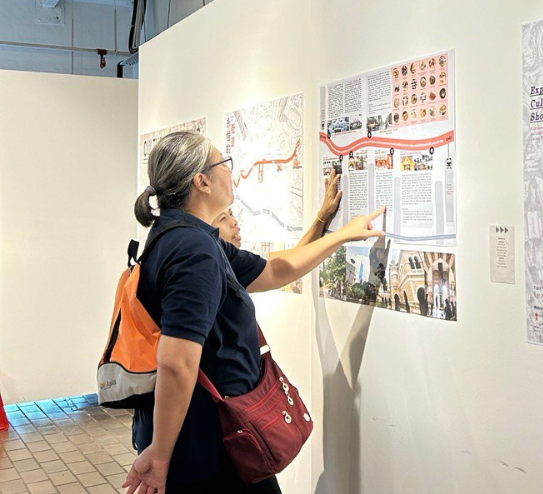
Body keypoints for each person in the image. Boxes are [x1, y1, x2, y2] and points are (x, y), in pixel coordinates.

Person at [124, 131, 383, 494]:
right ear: (202, 181)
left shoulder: (188, 237)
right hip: (208, 448)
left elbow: (275, 270)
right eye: (223, 164)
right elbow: (177, 362)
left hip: (220, 436)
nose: (231, 173)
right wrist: (161, 456)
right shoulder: (192, 250)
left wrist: (336, 232)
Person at [211, 168, 343, 255]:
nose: (234, 222)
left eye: (231, 214)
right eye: (223, 218)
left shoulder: (235, 262)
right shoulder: (212, 270)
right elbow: (289, 263)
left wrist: (323, 215)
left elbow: (294, 256)